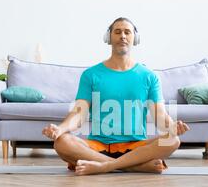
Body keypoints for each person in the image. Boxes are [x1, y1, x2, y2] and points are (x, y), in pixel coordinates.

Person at [43, 17, 190, 175]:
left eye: (127, 32)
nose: (123, 36)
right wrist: (60, 129)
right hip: (97, 147)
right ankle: (133, 166)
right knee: (61, 142)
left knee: (173, 140)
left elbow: (159, 115)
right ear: (109, 38)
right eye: (117, 32)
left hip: (137, 146)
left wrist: (172, 127)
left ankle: (104, 166)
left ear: (135, 38)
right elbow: (79, 113)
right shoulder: (90, 75)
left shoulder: (149, 76)